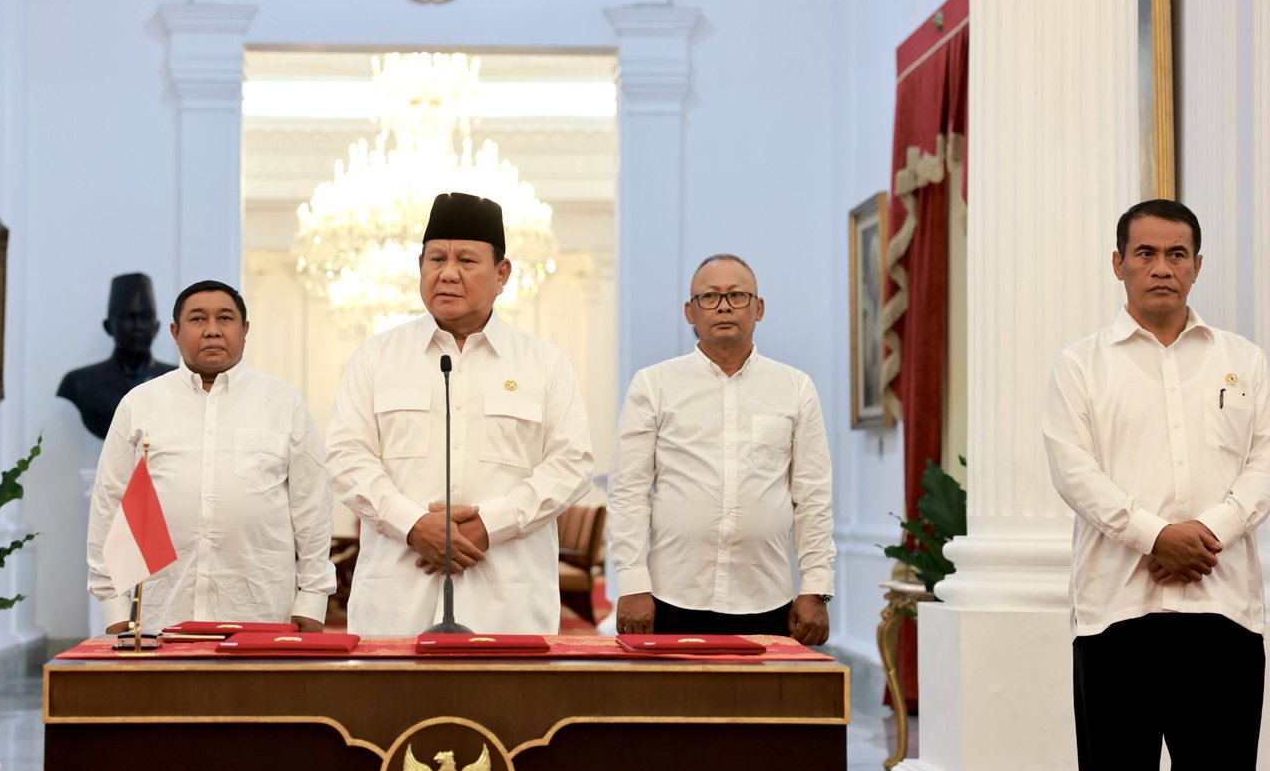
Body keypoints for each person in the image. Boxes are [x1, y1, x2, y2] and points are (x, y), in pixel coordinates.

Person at [1043, 199, 1270, 771]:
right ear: (1119, 264)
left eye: (1177, 254)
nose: (1161, 267)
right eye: (1145, 253)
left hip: (1224, 610)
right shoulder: (1079, 367)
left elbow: (1264, 462)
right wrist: (1152, 535)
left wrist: (1208, 531)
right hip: (1116, 615)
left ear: (1197, 266)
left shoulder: (1244, 360)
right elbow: (1074, 472)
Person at [326, 191, 593, 635]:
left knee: (507, 706)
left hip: (506, 601)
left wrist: (493, 524)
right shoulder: (376, 358)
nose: (447, 273)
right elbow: (344, 456)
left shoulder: (544, 363)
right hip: (397, 603)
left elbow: (573, 464)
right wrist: (412, 525)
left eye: (466, 261)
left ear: (502, 273)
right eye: (436, 259)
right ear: (420, 268)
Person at [608, 254, 834, 642]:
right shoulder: (654, 385)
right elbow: (629, 492)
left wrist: (816, 588)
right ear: (689, 311)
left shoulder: (795, 388)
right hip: (671, 595)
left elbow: (813, 496)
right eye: (709, 297)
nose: (725, 306)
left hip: (765, 595)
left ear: (759, 308)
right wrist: (631, 583)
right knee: (670, 704)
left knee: (759, 704)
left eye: (738, 295)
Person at [87, 280, 336, 632]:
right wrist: (114, 609)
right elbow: (108, 506)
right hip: (160, 613)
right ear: (175, 331)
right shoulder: (140, 404)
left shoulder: (283, 403)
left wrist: (313, 600)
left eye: (225, 318)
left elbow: (313, 507)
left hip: (259, 612)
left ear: (245, 329)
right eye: (198, 319)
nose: (212, 331)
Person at [56, 272, 176, 439]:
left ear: (156, 327)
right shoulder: (78, 384)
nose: (138, 326)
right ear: (108, 326)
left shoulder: (178, 380)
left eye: (145, 317)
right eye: (128, 316)